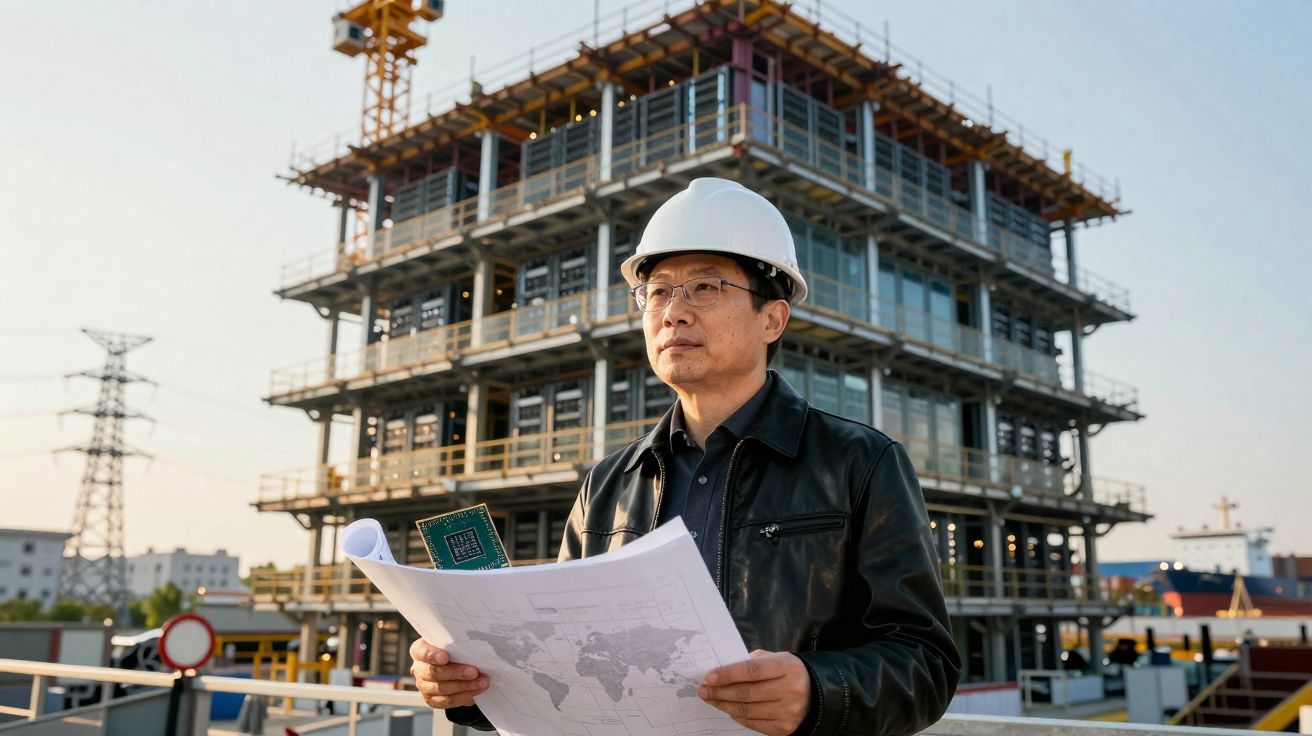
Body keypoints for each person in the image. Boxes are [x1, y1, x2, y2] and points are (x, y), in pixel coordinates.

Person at [411, 178, 961, 735]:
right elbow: (564, 664)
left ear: (772, 318)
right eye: (658, 292)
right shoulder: (607, 485)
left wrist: (818, 691)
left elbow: (926, 663)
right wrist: (469, 688)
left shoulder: (859, 463)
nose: (674, 312)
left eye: (705, 287)